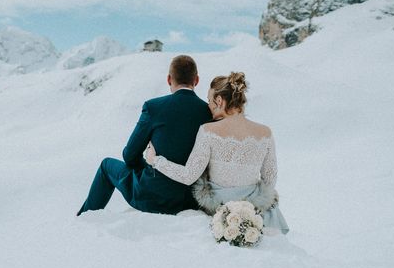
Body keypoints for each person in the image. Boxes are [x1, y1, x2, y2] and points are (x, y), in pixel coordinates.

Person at [146, 72, 289, 234]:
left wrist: (156, 160)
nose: (208, 105)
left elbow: (189, 175)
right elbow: (269, 180)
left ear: (219, 101)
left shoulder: (208, 130)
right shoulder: (265, 133)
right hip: (253, 211)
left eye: (209, 100)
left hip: (218, 209)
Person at [77, 55, 212, 216]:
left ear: (169, 79)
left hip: (152, 197)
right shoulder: (208, 112)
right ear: (196, 80)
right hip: (190, 200)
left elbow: (130, 155)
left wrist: (151, 164)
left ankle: (84, 218)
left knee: (106, 165)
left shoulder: (154, 107)